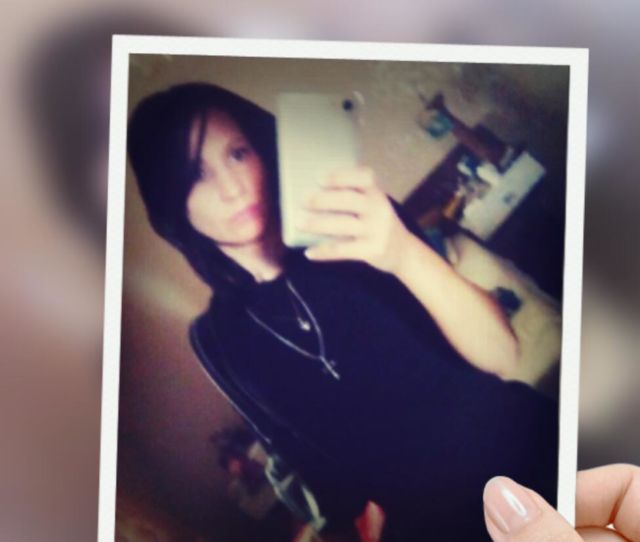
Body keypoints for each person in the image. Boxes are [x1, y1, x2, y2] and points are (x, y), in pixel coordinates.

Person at [127, 82, 559, 540]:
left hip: (518, 459)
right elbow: (296, 450)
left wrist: (403, 253)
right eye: (197, 174)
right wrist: (357, 520)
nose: (232, 188)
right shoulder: (217, 338)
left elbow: (501, 354)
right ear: (170, 204)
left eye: (238, 154)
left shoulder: (358, 224)